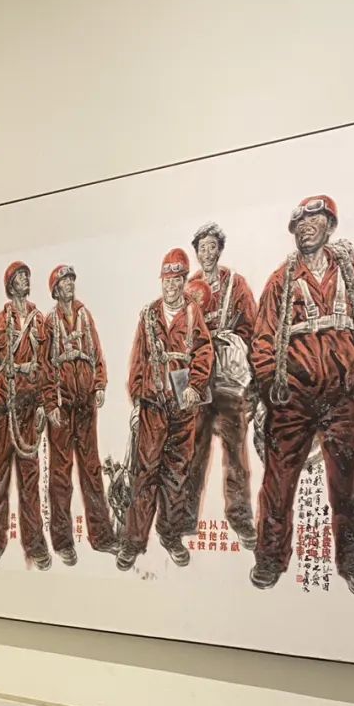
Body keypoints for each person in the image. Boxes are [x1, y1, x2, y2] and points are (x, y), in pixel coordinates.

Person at [250, 196, 354, 596]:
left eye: (315, 220)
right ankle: (270, 557)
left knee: (345, 483)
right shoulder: (281, 280)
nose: (307, 227)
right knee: (277, 483)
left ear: (330, 226)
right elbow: (262, 340)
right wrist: (272, 389)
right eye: (300, 222)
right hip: (291, 400)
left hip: (340, 397)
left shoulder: (353, 272)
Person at [117, 249, 214, 571]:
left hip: (183, 407)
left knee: (177, 474)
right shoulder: (148, 315)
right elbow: (138, 360)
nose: (171, 286)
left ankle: (170, 536)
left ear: (184, 281)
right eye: (166, 280)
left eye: (176, 280)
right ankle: (134, 541)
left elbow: (204, 353)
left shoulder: (193, 314)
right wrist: (137, 401)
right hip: (153, 405)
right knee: (144, 474)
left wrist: (195, 386)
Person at [184, 221, 259, 548]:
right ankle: (185, 517)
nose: (207, 253)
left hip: (230, 380)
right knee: (192, 451)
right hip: (198, 382)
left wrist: (252, 379)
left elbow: (252, 328)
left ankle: (240, 518)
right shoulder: (188, 288)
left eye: (212, 246)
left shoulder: (236, 285)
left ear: (220, 250)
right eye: (202, 248)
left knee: (235, 454)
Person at [0, 261, 52, 570]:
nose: (25, 279)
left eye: (27, 276)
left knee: (31, 484)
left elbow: (47, 367)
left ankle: (35, 544)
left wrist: (44, 404)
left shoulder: (40, 322)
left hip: (28, 414)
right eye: (20, 276)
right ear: (10, 285)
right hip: (3, 414)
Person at [43, 264, 117, 564]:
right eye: (64, 282)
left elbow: (97, 353)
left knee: (92, 470)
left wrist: (99, 385)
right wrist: (50, 404)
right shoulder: (49, 322)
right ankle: (62, 542)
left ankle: (102, 537)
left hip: (86, 404)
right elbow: (45, 366)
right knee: (60, 475)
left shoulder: (85, 316)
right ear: (55, 290)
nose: (69, 285)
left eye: (71, 280)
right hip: (61, 407)